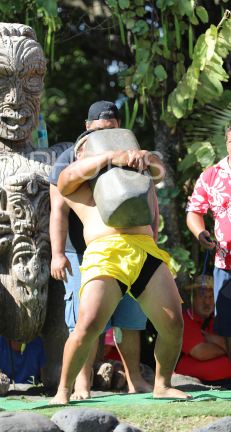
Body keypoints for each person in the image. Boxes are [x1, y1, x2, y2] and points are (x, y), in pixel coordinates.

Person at [50, 130, 191, 404]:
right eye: (94, 146)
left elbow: (159, 172)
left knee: (173, 324)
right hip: (105, 253)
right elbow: (68, 176)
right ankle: (63, 390)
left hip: (145, 250)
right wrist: (111, 156)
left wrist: (143, 156)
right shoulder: (73, 182)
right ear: (81, 152)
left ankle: (162, 385)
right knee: (88, 326)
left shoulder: (132, 175)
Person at [49, 101, 155, 399]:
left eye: (112, 129)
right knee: (86, 320)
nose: (106, 134)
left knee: (129, 318)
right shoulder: (69, 158)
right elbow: (57, 210)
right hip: (80, 251)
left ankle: (136, 379)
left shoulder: (129, 152)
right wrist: (58, 254)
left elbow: (149, 197)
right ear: (87, 127)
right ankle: (80, 385)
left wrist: (152, 239)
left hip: (127, 248)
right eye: (99, 130)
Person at [186, 123, 231, 367]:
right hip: (226, 263)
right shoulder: (211, 175)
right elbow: (194, 210)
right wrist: (200, 231)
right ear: (226, 142)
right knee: (228, 325)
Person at [176, 275, 231, 388]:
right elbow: (200, 353)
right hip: (197, 383)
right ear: (193, 296)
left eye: (211, 297)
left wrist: (214, 339)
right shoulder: (184, 320)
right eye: (203, 295)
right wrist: (226, 347)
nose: (207, 301)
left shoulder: (220, 320)